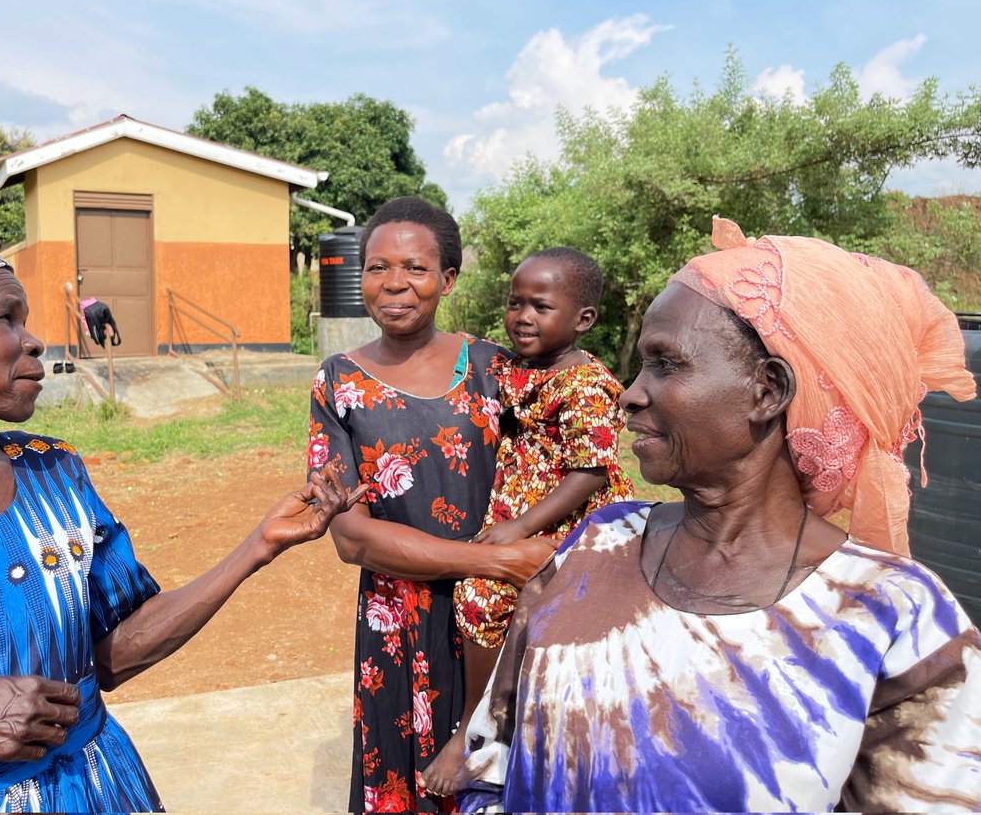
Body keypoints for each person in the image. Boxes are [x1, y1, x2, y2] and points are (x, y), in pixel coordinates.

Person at [0, 229, 363, 813]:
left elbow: (111, 656)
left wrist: (258, 546)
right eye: (5, 318)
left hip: (104, 792)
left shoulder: (50, 473)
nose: (32, 341)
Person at [456, 217, 981, 813]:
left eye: (665, 364)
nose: (630, 393)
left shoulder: (895, 617)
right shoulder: (593, 546)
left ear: (768, 391)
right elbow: (492, 766)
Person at [307, 197, 557, 813]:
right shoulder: (337, 382)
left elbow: (558, 474)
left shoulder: (498, 370)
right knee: (404, 785)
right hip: (397, 623)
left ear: (447, 279)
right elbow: (352, 539)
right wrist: (493, 563)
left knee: (501, 776)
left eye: (415, 269)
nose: (394, 284)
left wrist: (511, 572)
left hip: (502, 618)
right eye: (376, 267)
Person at [419, 247, 635, 796]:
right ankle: (479, 725)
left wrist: (520, 529)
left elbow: (589, 472)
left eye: (541, 306)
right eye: (515, 303)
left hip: (571, 515)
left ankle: (478, 730)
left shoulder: (587, 384)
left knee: (486, 597)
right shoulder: (516, 367)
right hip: (520, 502)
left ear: (583, 320)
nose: (523, 316)